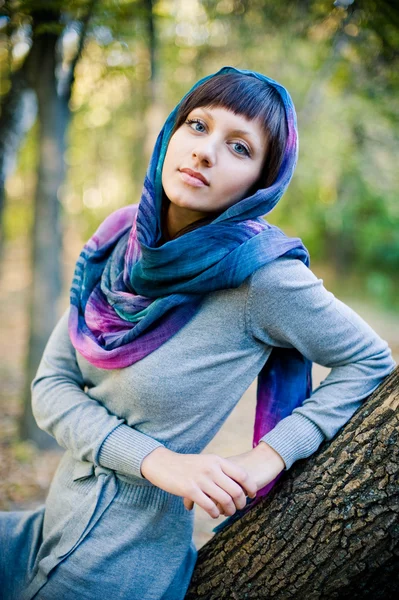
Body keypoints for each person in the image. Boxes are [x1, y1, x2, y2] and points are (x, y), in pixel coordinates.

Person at [0, 66, 396, 600]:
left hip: (118, 566)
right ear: (170, 134)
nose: (205, 151)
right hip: (45, 527)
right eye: (197, 125)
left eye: (238, 147)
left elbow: (370, 362)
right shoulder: (120, 241)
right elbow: (51, 388)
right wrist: (157, 461)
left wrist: (265, 458)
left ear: (262, 181)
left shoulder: (262, 276)